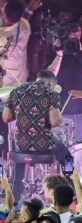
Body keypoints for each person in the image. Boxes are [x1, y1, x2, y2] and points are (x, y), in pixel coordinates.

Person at [2, 70, 70, 200]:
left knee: (19, 155)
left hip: (22, 144)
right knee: (68, 157)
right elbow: (54, 122)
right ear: (50, 83)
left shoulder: (17, 91)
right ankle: (73, 184)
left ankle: (16, 194)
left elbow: (6, 117)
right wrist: (59, 118)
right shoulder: (51, 94)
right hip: (43, 145)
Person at [47, 22, 82, 142]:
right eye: (72, 36)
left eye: (78, 36)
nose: (75, 39)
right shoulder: (53, 52)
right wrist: (59, 55)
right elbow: (49, 76)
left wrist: (78, 53)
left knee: (81, 147)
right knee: (60, 148)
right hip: (59, 109)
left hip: (81, 110)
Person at [0, 0, 31, 85]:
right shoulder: (25, 27)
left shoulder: (1, 37)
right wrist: (30, 9)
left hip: (5, 84)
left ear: (4, 15)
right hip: (21, 81)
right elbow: (24, 18)